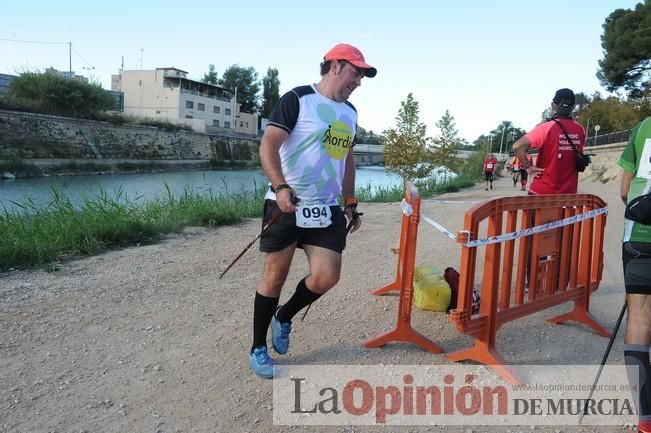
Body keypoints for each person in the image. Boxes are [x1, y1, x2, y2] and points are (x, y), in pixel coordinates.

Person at [249, 43, 376, 379]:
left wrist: (350, 201)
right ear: (334, 66)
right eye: (355, 72)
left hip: (326, 207)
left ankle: (285, 316)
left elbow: (347, 159)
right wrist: (279, 188)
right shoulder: (298, 99)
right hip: (287, 203)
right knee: (275, 275)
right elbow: (269, 144)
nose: (359, 81)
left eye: (362, 75)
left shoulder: (350, 112)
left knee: (327, 276)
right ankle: (258, 347)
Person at [618, 116, 651, 433]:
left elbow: (625, 190)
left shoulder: (643, 127)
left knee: (640, 319)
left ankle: (645, 419)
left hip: (641, 235)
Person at [512, 88, 585, 195]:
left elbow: (517, 146)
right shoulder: (580, 130)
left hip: (542, 193)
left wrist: (528, 167)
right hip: (568, 194)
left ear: (553, 105)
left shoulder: (545, 128)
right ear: (573, 107)